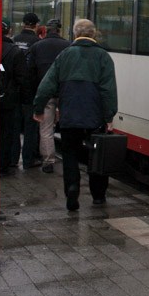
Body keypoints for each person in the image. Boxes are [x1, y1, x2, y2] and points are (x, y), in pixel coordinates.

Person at [32, 19, 117, 211]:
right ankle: (98, 196)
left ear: (75, 34)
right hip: (95, 116)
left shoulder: (65, 55)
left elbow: (46, 85)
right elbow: (108, 90)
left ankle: (72, 188)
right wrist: (109, 116)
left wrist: (38, 109)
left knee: (70, 154)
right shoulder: (103, 57)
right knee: (96, 155)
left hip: (70, 115)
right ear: (93, 34)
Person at [27, 18, 70, 174]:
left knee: (46, 128)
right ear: (59, 30)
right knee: (67, 127)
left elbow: (30, 72)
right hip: (65, 92)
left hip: (45, 92)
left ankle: (48, 161)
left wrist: (36, 92)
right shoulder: (68, 46)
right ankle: (70, 159)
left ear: (46, 30)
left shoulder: (37, 46)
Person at [0, 20, 32, 176]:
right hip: (9, 99)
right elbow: (23, 78)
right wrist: (26, 100)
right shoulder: (15, 51)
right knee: (8, 132)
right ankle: (6, 162)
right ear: (9, 31)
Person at [11, 12, 42, 170]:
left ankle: (13, 158)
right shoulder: (37, 42)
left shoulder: (14, 40)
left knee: (14, 126)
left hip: (14, 89)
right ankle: (29, 159)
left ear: (23, 24)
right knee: (30, 127)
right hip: (30, 90)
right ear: (36, 25)